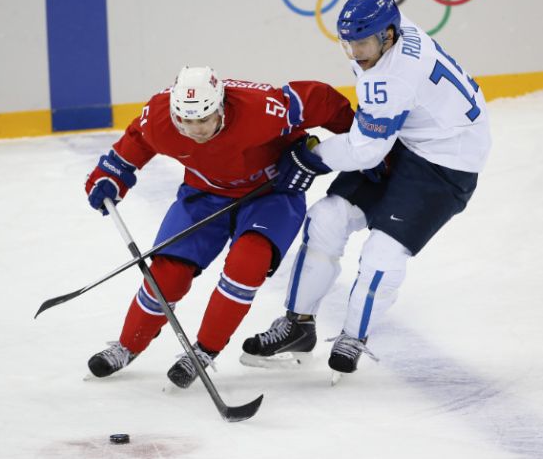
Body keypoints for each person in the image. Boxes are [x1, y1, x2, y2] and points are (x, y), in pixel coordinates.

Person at [241, 0, 492, 376]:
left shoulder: (394, 75)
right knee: (325, 218)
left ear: (388, 35)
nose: (356, 52)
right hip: (406, 140)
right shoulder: (388, 34)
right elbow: (371, 142)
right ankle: (298, 324)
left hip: (447, 163)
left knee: (382, 255)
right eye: (349, 44)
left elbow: (365, 152)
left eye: (363, 43)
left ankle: (353, 337)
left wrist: (311, 157)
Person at [84, 66, 354, 388]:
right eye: (187, 121)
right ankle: (127, 345)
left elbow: (320, 100)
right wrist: (111, 174)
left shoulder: (261, 108)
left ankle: (204, 351)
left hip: (270, 193)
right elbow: (137, 139)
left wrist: (361, 139)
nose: (196, 129)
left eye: (204, 119)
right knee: (167, 273)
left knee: (247, 262)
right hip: (203, 193)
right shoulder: (159, 117)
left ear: (221, 107)